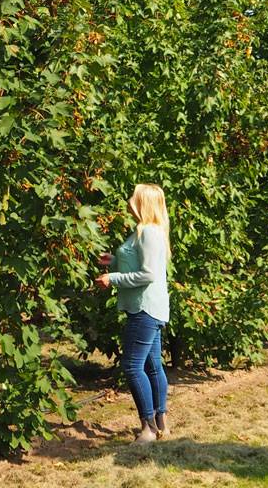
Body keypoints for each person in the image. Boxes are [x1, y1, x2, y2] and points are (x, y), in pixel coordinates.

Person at [94, 183, 171, 444]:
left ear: (143, 202)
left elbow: (147, 274)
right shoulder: (143, 231)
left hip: (144, 307)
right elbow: (139, 263)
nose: (129, 200)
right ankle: (160, 424)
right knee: (152, 365)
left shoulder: (148, 232)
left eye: (133, 197)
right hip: (149, 306)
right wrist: (113, 261)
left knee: (132, 366)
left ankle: (148, 429)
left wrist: (112, 277)